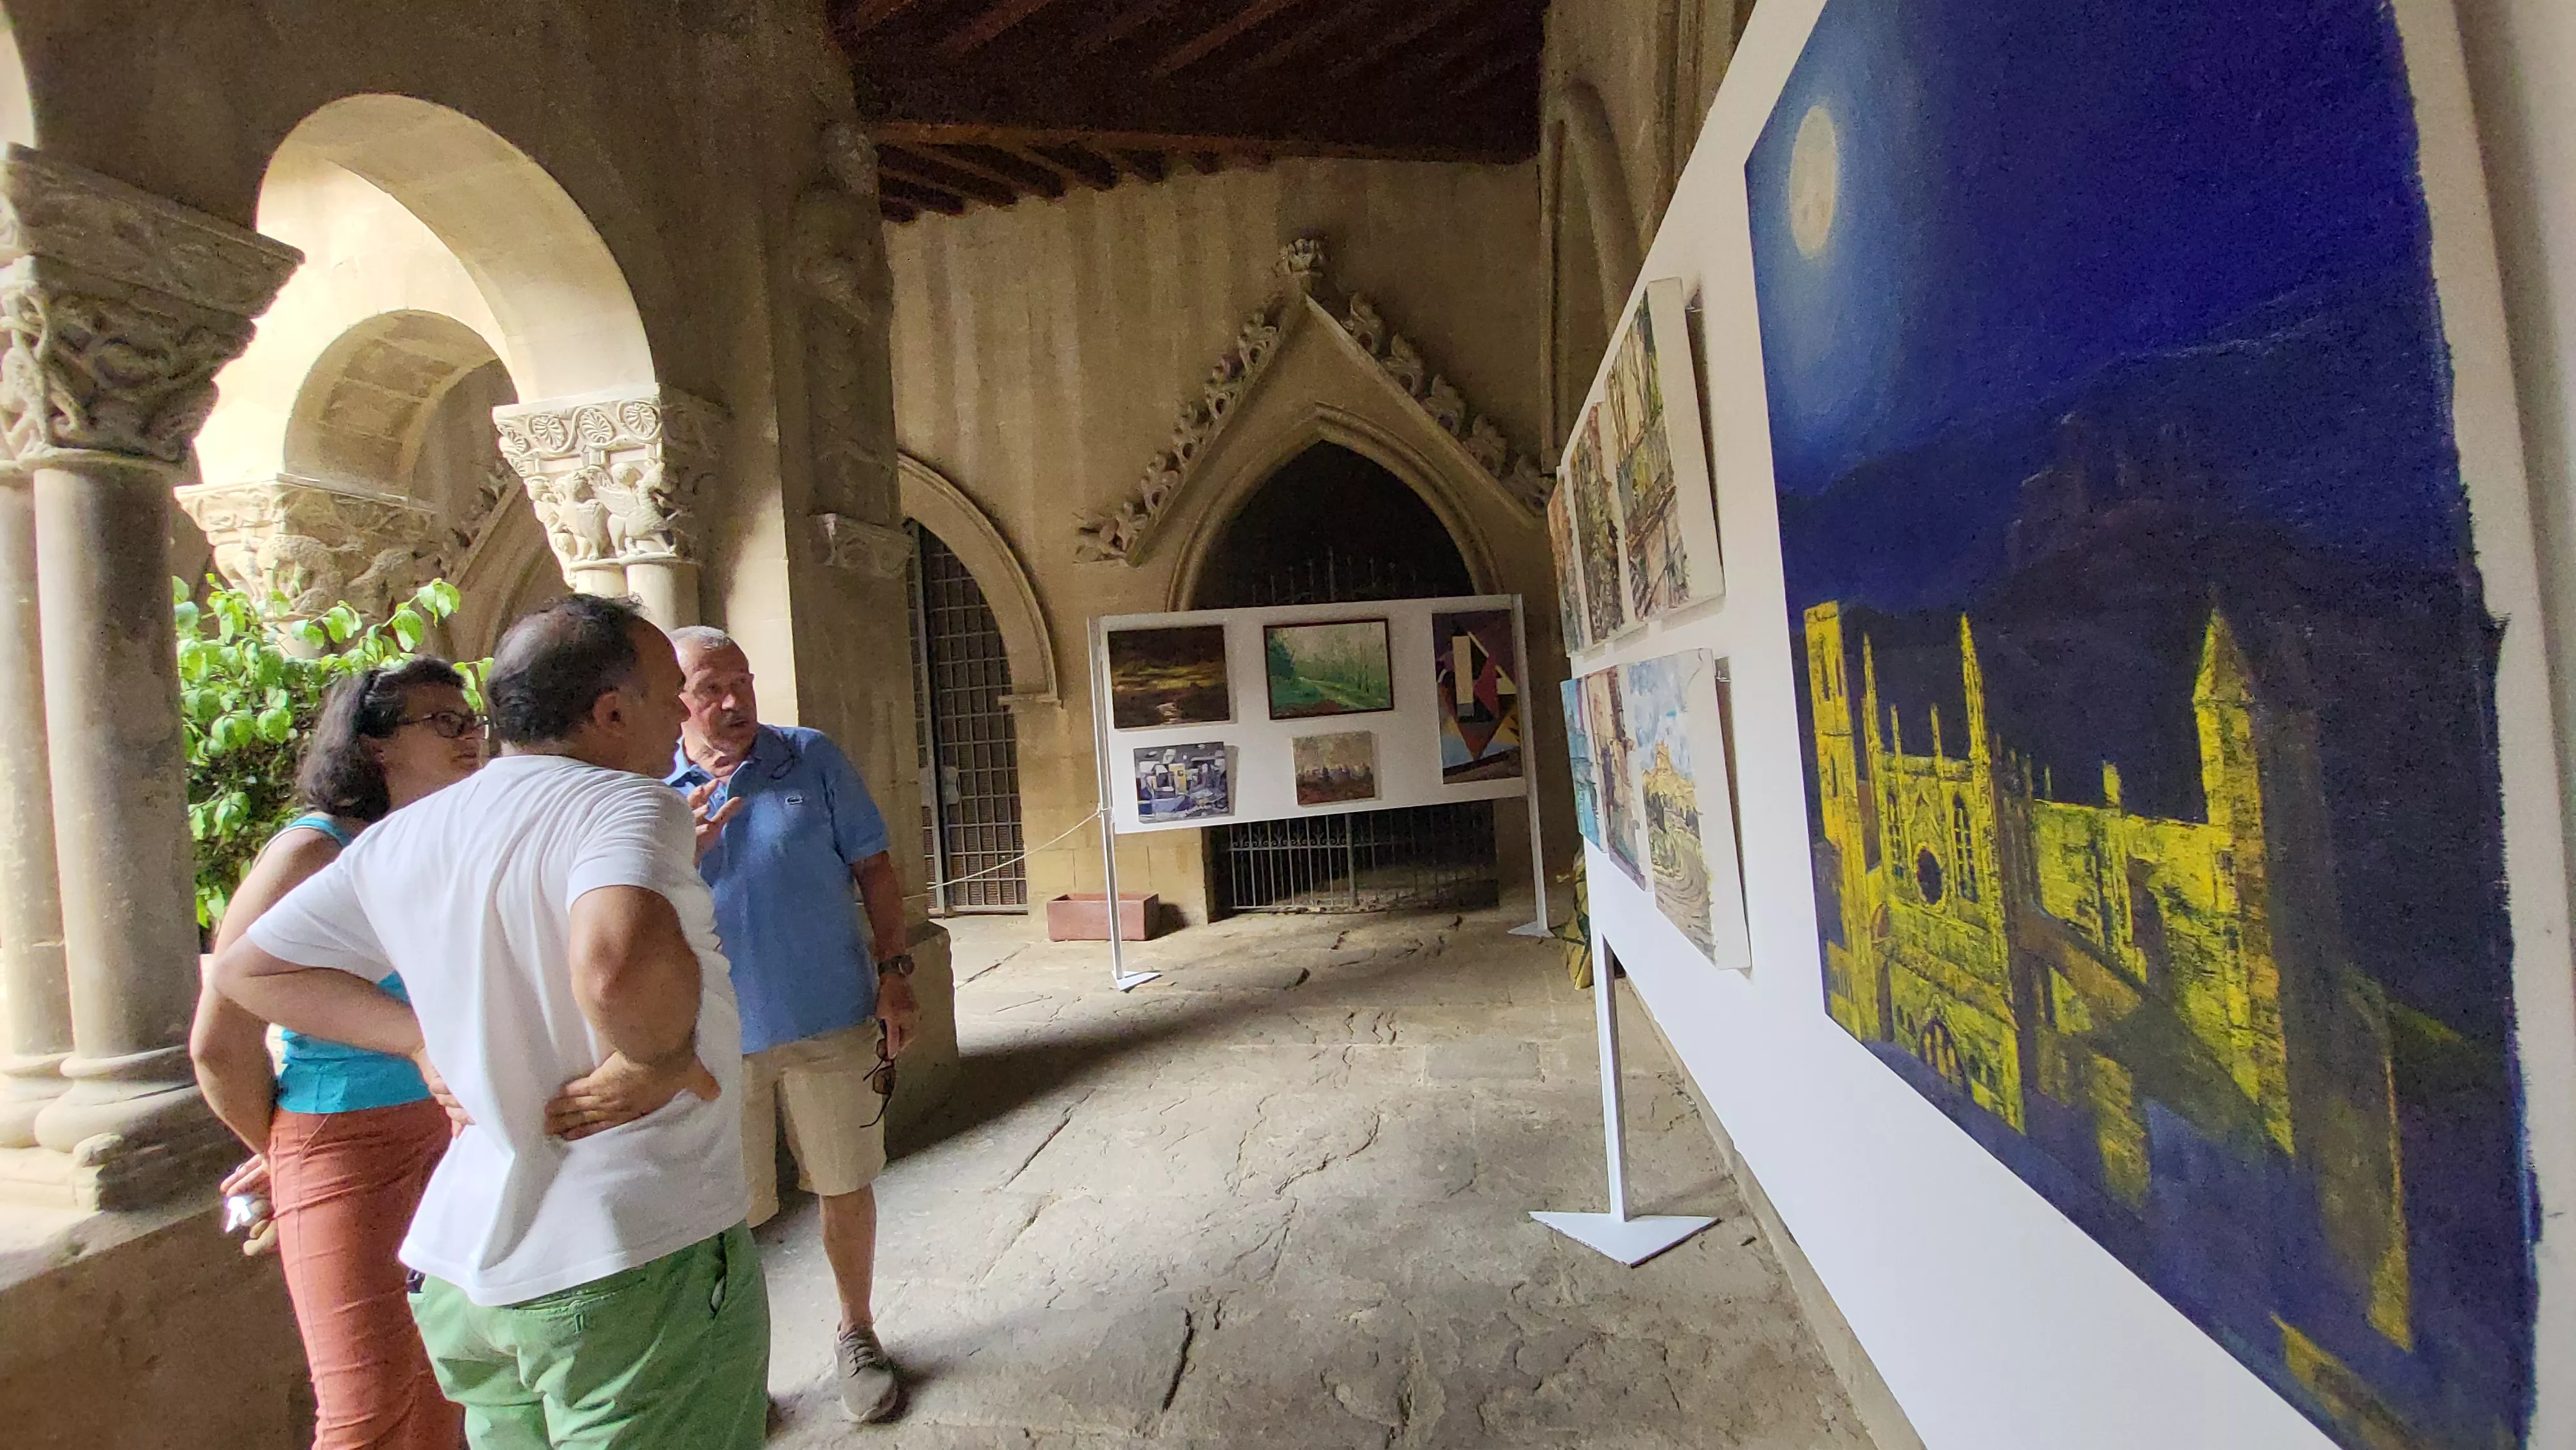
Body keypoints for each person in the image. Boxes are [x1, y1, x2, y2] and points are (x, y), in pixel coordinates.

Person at [212, 594, 767, 1450]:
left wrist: (417, 1040)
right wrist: (661, 1056)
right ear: (612, 712)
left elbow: (253, 966)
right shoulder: (625, 802)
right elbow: (615, 962)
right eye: (672, 695)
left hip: (468, 1271)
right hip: (626, 1259)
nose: (684, 719)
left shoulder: (410, 834)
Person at [189, 658, 484, 1450]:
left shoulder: (435, 840)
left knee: (450, 1383)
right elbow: (218, 1041)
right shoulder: (310, 851)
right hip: (345, 1140)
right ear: (376, 745)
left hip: (453, 1128)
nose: (472, 736)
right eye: (445, 721)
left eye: (473, 719)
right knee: (365, 1407)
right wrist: (284, 1157)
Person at [665, 625, 918, 1424]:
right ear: (674, 701)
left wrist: (894, 974)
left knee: (844, 1179)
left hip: (828, 1014)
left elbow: (873, 866)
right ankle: (741, 1366)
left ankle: (857, 1330)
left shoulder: (810, 757)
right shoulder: (647, 785)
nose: (733, 699)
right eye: (710, 688)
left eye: (740, 679)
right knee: (727, 1214)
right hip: (707, 1040)